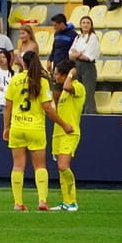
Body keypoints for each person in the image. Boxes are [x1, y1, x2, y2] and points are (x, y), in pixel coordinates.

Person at [3, 50, 74, 212]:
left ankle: (18, 203)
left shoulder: (15, 80)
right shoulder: (42, 82)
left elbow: (8, 106)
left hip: (18, 126)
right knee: (40, 166)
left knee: (18, 165)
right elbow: (47, 108)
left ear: (24, 64)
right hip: (35, 128)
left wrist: (6, 127)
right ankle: (42, 200)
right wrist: (63, 124)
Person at [51, 61, 84, 212]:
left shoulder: (77, 87)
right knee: (60, 170)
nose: (55, 76)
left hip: (70, 133)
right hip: (58, 133)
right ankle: (66, 201)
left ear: (65, 75)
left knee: (63, 166)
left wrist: (71, 73)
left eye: (58, 74)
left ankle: (73, 201)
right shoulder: (63, 93)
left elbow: (67, 86)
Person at [68, 15, 99, 114]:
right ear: (80, 25)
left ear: (91, 25)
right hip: (77, 66)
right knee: (78, 91)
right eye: (83, 23)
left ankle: (90, 114)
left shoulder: (93, 37)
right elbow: (70, 55)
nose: (85, 25)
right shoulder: (78, 37)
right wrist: (79, 54)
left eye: (88, 23)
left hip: (88, 67)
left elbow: (88, 56)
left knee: (88, 92)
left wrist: (76, 54)